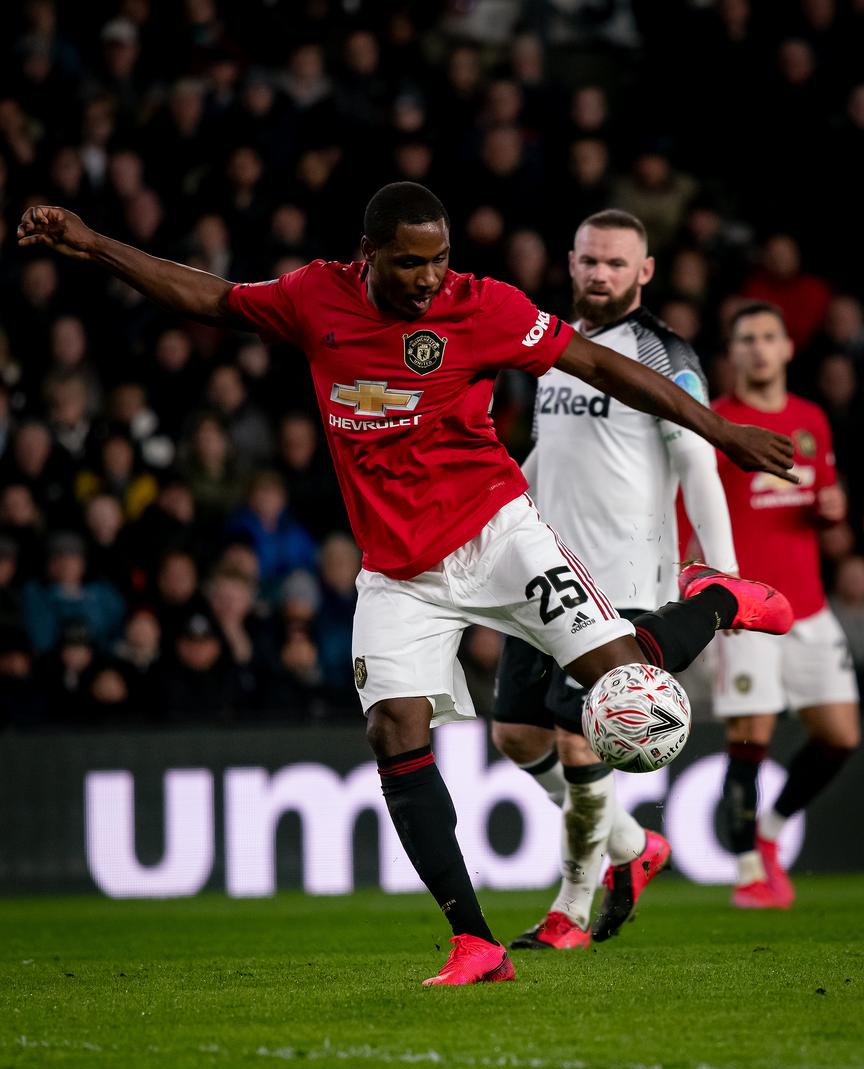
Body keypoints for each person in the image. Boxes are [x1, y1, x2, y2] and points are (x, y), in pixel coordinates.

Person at [17, 183, 795, 987]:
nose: (428, 279)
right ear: (369, 255)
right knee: (394, 729)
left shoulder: (482, 306)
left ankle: (719, 599)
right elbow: (213, 299)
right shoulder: (315, 297)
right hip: (398, 571)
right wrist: (95, 244)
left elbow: (597, 361)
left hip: (498, 535)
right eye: (409, 262)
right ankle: (475, 941)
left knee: (627, 681)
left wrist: (720, 430)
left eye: (440, 260)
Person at [491, 209, 739, 950]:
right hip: (545, 572)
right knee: (515, 734)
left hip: (623, 583)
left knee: (581, 744)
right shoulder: (553, 347)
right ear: (571, 262)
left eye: (616, 263)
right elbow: (548, 455)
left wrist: (724, 583)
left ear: (645, 271)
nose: (600, 274)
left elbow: (698, 461)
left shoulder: (663, 352)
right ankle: (634, 846)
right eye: (590, 260)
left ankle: (570, 909)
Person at [706, 302, 860, 908]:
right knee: (751, 733)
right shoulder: (718, 420)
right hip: (747, 609)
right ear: (733, 352)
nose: (760, 348)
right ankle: (748, 871)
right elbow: (691, 504)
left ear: (789, 348)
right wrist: (706, 582)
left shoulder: (810, 418)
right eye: (747, 338)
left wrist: (832, 510)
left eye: (770, 337)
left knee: (840, 735)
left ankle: (770, 832)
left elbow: (822, 500)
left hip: (810, 607)